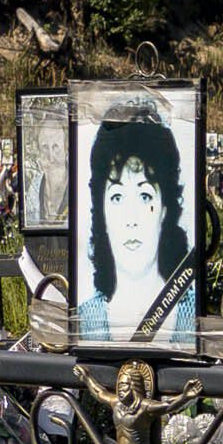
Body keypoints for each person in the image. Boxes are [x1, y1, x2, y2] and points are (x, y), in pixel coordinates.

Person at [82, 107, 196, 343]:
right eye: (117, 197)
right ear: (102, 212)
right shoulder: (84, 321)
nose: (131, 220)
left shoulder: (194, 314)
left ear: (164, 208)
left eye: (145, 196)